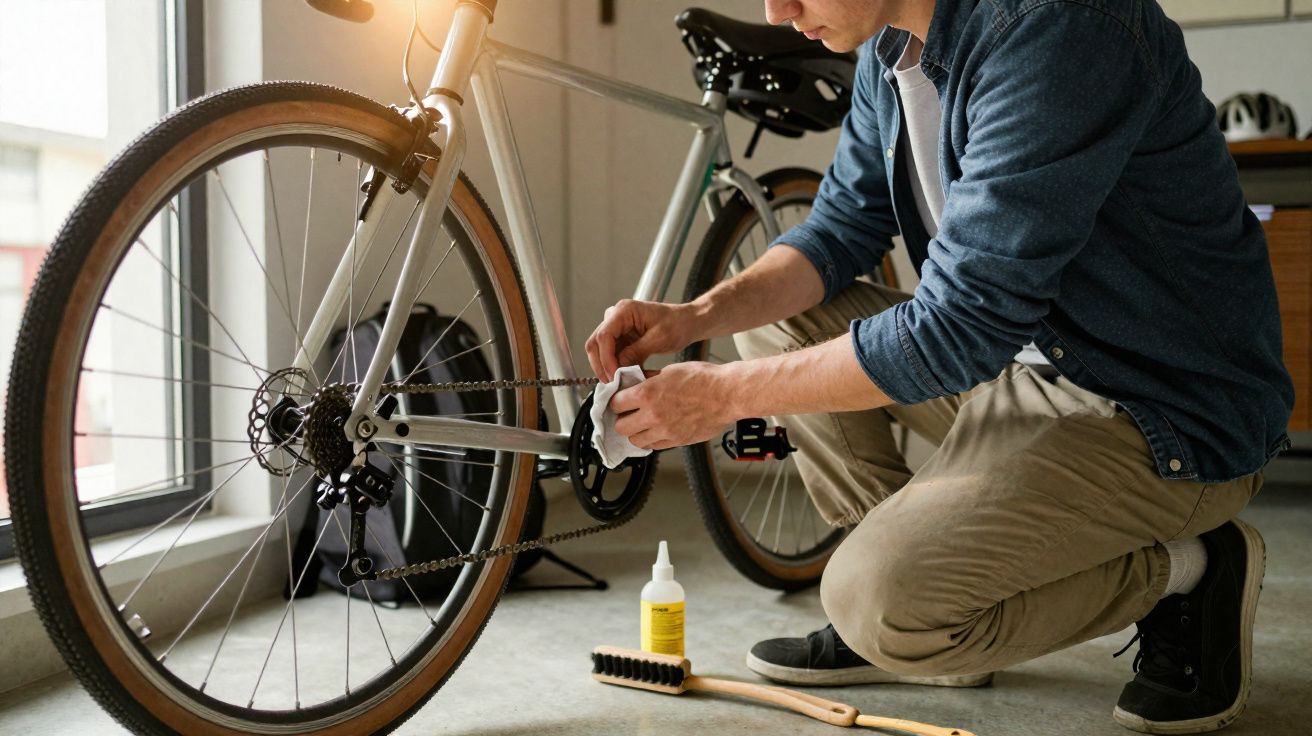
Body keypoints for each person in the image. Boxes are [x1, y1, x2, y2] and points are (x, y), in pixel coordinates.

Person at [585, 0, 1294, 732]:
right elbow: (837, 231)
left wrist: (723, 398)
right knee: (775, 328)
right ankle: (921, 607)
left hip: (1157, 411)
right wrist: (694, 318)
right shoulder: (890, 47)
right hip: (1019, 373)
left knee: (874, 601)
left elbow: (963, 324)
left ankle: (1190, 572)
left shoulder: (1060, 26)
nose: (778, 11)